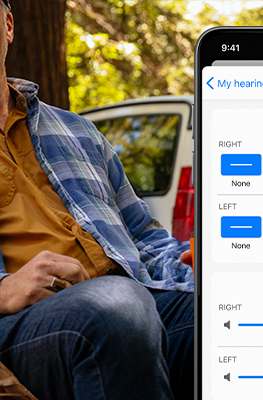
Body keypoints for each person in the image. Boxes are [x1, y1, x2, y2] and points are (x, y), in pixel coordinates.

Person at [0, 1, 194, 399]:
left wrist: (193, 261)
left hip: (134, 298)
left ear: (7, 26)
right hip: (22, 322)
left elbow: (144, 236)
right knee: (116, 308)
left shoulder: (78, 131)